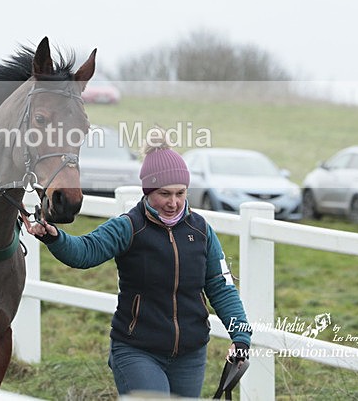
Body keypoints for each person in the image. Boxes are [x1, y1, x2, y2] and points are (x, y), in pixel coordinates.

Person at [28, 133, 251, 398]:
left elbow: (221, 286)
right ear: (147, 192)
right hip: (137, 351)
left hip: (190, 354)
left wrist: (241, 336)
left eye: (180, 193)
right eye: (164, 194)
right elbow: (85, 252)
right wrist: (55, 238)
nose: (173, 202)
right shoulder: (128, 227)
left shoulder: (201, 230)